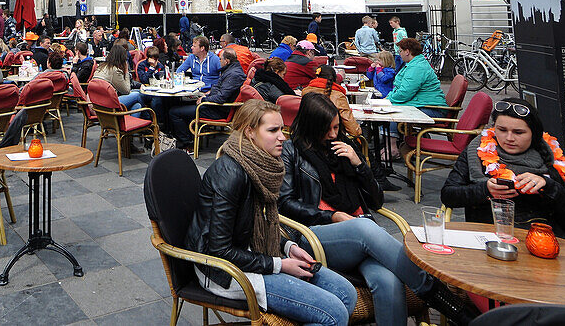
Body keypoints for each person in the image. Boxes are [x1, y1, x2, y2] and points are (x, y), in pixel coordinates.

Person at [281, 94, 478, 326]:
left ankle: (448, 305)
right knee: (364, 226)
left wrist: (359, 164)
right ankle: (448, 303)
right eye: (326, 129)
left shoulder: (345, 148)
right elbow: (285, 203)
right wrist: (332, 216)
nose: (333, 134)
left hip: (363, 237)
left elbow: (376, 201)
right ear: (311, 127)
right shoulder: (291, 151)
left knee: (388, 281)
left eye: (336, 127)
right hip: (318, 235)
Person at [185, 100, 357, 325]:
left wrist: (288, 247)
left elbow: (263, 223)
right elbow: (219, 250)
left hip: (257, 254)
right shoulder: (230, 173)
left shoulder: (263, 164)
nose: (283, 137)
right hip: (225, 272)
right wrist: (280, 265)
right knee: (334, 314)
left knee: (347, 294)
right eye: (273, 130)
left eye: (282, 129)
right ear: (250, 132)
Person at [441, 98, 565, 241]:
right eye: (501, 130)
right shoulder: (476, 152)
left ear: (534, 133)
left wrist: (549, 187)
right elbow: (448, 195)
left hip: (544, 241)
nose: (509, 138)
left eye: (518, 132)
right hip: (490, 237)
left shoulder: (555, 161)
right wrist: (485, 190)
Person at [170, 47, 245, 152]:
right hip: (216, 106)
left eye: (221, 59)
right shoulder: (232, 71)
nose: (219, 61)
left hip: (219, 110)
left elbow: (221, 97)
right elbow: (220, 90)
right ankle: (187, 139)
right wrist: (207, 95)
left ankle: (188, 144)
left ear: (227, 61)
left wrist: (204, 99)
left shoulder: (233, 75)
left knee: (174, 112)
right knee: (181, 105)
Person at [300, 64, 362, 139]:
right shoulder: (338, 96)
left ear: (317, 77)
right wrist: (359, 131)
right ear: (335, 79)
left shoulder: (305, 91)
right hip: (331, 139)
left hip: (307, 136)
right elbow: (353, 129)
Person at [387, 38, 445, 114]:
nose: (399, 54)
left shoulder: (417, 67)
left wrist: (388, 99)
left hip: (431, 109)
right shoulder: (415, 64)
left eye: (400, 51)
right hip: (424, 105)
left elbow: (405, 93)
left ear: (407, 52)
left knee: (394, 114)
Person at [95, 44, 143, 111]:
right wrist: (126, 72)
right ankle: (148, 115)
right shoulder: (115, 70)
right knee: (138, 94)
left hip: (98, 102)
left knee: (137, 106)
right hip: (109, 104)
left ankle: (129, 121)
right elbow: (126, 91)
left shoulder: (101, 67)